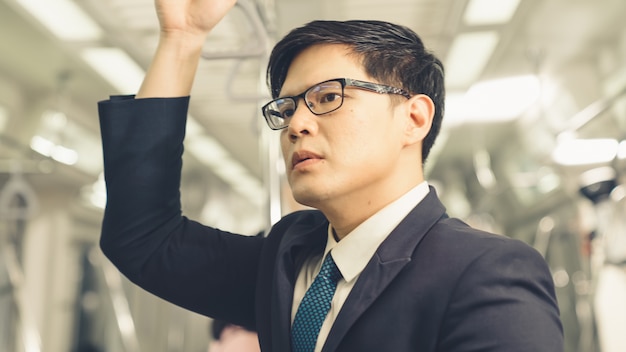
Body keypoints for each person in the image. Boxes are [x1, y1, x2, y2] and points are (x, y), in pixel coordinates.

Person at [97, 0, 564, 351]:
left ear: (414, 119)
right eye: (286, 107)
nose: (297, 124)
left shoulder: (486, 272)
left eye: (327, 97)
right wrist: (182, 38)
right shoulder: (287, 258)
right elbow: (144, 238)